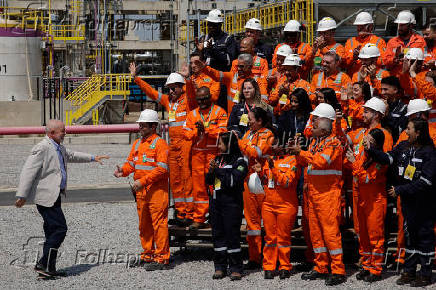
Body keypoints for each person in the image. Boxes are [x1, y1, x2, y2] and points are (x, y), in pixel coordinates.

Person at [15, 120, 109, 278]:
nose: (65, 133)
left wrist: (93, 157)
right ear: (51, 133)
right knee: (60, 229)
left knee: (52, 231)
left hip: (55, 195)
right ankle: (43, 263)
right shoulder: (42, 147)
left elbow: (71, 155)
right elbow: (28, 171)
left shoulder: (58, 146)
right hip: (45, 197)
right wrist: (22, 195)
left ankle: (48, 269)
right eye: (62, 131)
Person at [367, 119, 436, 287]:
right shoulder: (404, 146)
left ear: (418, 132)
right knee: (409, 237)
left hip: (425, 204)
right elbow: (388, 158)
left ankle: (425, 274)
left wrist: (399, 190)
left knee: (424, 238)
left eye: (409, 128)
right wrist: (371, 150)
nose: (406, 131)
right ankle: (409, 271)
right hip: (408, 203)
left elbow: (426, 182)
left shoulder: (430, 152)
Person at [289, 104, 347, 286]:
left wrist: (302, 153)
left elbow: (322, 162)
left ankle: (338, 270)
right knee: (315, 233)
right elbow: (306, 163)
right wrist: (296, 152)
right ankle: (321, 265)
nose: (312, 121)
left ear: (327, 123)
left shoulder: (334, 142)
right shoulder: (315, 142)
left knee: (330, 234)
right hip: (313, 194)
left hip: (328, 195)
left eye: (317, 118)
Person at [131, 65, 195, 226]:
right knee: (175, 181)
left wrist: (188, 78)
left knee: (188, 180)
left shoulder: (188, 101)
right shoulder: (169, 102)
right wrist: (136, 79)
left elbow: (194, 92)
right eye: (169, 88)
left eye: (174, 88)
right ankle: (181, 212)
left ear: (182, 87)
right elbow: (152, 93)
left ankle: (190, 213)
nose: (171, 91)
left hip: (187, 145)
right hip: (173, 147)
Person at [114, 110, 170, 271]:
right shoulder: (138, 144)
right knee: (144, 225)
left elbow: (162, 169)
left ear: (153, 126)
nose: (141, 128)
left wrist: (142, 182)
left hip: (157, 192)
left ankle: (162, 258)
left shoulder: (160, 144)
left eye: (144, 126)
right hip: (142, 192)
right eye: (140, 125)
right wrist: (122, 171)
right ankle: (148, 254)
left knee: (159, 224)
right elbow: (131, 164)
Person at [345, 128, 388, 282]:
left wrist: (353, 163)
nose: (364, 140)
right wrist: (351, 161)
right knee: (363, 235)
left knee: (375, 237)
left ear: (375, 143)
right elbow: (353, 166)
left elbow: (367, 178)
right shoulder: (363, 154)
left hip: (375, 202)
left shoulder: (380, 161)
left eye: (368, 138)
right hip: (363, 200)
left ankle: (376, 270)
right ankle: (367, 266)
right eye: (365, 137)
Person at [205, 131, 248, 281]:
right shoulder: (218, 159)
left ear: (229, 145)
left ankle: (236, 268)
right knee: (217, 235)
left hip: (232, 203)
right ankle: (220, 267)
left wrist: (217, 170)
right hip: (216, 202)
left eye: (221, 143)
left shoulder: (240, 161)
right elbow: (209, 181)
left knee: (232, 235)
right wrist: (211, 170)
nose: (218, 145)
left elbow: (232, 181)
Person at [183, 87, 228, 229]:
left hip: (213, 155)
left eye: (204, 99)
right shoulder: (192, 114)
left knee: (216, 187)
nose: (201, 102)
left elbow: (223, 131)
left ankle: (217, 218)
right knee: (199, 189)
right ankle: (199, 219)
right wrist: (198, 131)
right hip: (197, 155)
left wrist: (207, 130)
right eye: (199, 99)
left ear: (210, 97)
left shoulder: (219, 112)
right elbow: (186, 133)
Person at [254, 144, 300, 280]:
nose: (272, 146)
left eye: (275, 143)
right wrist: (260, 172)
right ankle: (269, 266)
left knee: (283, 237)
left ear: (283, 144)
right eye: (271, 144)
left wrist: (273, 167)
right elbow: (267, 181)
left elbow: (286, 182)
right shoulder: (270, 160)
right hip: (268, 204)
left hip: (286, 205)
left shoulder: (293, 160)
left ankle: (285, 266)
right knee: (269, 238)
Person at [238, 107, 275, 270]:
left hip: (262, 180)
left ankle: (270, 259)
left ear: (259, 120)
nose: (248, 121)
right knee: (251, 222)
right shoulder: (248, 134)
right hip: (248, 180)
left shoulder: (267, 134)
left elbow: (255, 152)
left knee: (267, 223)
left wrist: (239, 142)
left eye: (251, 118)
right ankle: (254, 258)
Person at [196, 54, 268, 113]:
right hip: (233, 118)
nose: (239, 69)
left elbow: (264, 101)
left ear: (250, 67)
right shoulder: (232, 77)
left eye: (242, 66)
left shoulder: (257, 82)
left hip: (251, 118)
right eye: (237, 66)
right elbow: (217, 74)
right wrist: (205, 68)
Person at [383, 10, 426, 77]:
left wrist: (410, 59)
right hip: (396, 78)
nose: (399, 28)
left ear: (411, 26)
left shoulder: (420, 41)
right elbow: (386, 62)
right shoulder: (392, 42)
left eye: (402, 25)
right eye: (399, 25)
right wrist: (395, 59)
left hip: (414, 77)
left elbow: (424, 59)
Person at [344, 12, 386, 77]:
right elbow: (344, 64)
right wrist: (354, 57)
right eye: (358, 26)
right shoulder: (350, 42)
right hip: (354, 80)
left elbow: (383, 61)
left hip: (373, 77)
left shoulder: (379, 41)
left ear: (370, 26)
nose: (359, 28)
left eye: (362, 26)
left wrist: (369, 58)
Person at [380, 76, 408, 143]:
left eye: (385, 89)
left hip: (396, 144)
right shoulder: (380, 105)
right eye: (381, 89)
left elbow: (399, 129)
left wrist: (387, 115)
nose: (382, 93)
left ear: (395, 90)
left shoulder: (404, 108)